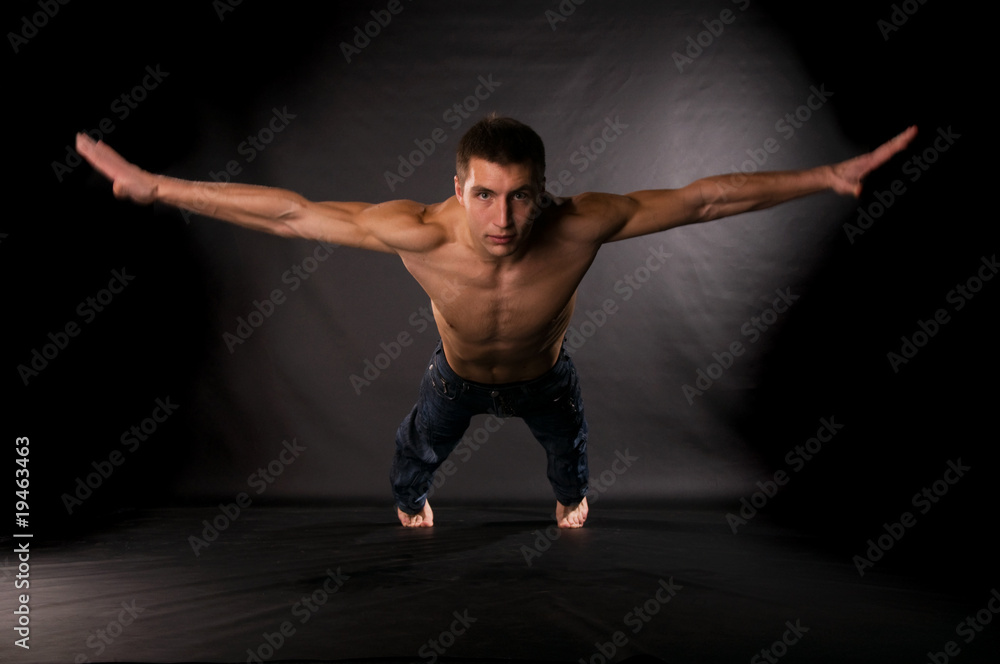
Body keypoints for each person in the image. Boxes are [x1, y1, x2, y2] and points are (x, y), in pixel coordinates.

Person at [75, 116, 917, 529]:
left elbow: (703, 200)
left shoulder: (581, 221)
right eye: (484, 194)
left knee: (572, 461)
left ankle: (570, 500)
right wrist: (160, 187)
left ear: (542, 189)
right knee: (415, 457)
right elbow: (291, 215)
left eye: (519, 196)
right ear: (458, 187)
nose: (503, 219)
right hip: (456, 377)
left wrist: (825, 175)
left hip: (548, 379)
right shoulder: (418, 230)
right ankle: (413, 502)